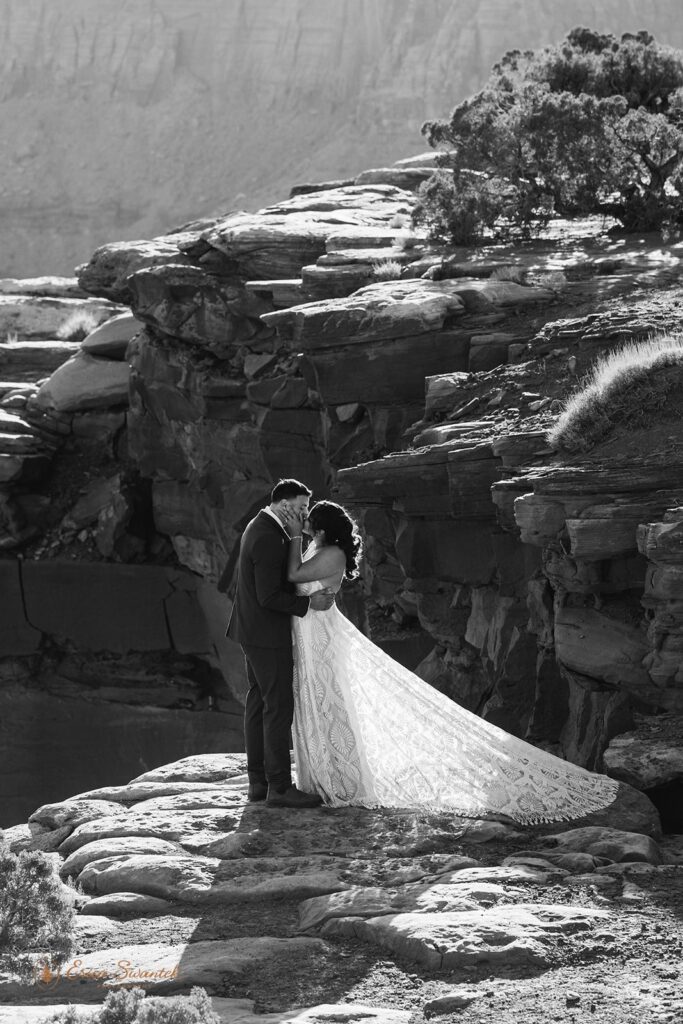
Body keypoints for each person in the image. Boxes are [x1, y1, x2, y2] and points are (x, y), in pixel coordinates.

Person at [282, 499, 621, 824]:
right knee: (321, 703)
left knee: (330, 703)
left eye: (310, 518)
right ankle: (325, 776)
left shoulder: (332, 554)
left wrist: (294, 535)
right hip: (311, 634)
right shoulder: (320, 549)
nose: (305, 521)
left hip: (321, 637)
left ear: (322, 528)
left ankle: (342, 780)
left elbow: (294, 576)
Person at [227, 479, 335, 808]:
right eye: (301, 507)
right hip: (266, 635)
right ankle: (279, 788)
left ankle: (258, 784)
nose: (305, 514)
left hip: (251, 631)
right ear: (284, 505)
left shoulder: (262, 526)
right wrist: (308, 604)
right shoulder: (268, 537)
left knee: (259, 703)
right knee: (278, 706)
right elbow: (269, 596)